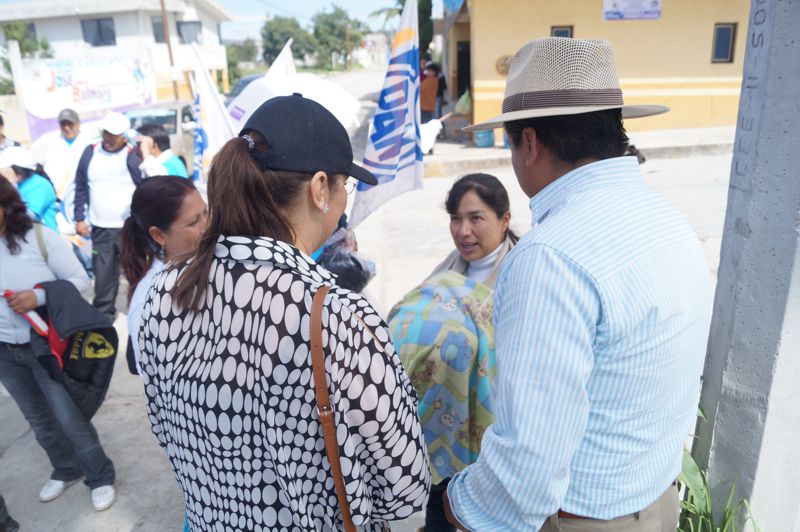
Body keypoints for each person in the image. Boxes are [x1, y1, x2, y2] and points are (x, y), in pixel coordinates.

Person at [442, 38, 713, 531]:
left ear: (529, 142)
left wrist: (455, 506)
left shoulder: (549, 256)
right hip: (658, 502)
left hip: (587, 519)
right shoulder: (666, 218)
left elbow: (529, 462)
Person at [139, 94, 430, 530]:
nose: (344, 200)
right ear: (319, 189)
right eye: (344, 186)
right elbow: (405, 488)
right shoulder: (336, 317)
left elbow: (166, 430)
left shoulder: (165, 290)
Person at [387, 173, 517, 531]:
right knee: (439, 512)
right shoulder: (447, 269)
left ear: (504, 219)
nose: (463, 231)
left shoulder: (520, 271)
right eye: (456, 219)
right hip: (440, 431)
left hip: (495, 431)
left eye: (476, 218)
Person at [0, 178, 116, 512]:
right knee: (37, 419)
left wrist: (37, 297)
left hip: (45, 345)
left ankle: (100, 476)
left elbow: (80, 280)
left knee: (68, 416)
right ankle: (66, 468)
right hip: (4, 351)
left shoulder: (39, 237)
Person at [120, 176, 207, 372]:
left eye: (206, 212)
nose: (207, 226)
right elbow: (152, 373)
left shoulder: (208, 261)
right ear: (159, 235)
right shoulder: (148, 301)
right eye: (194, 222)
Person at [73, 111, 143, 320]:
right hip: (100, 227)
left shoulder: (133, 154)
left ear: (124, 135)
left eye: (114, 134)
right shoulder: (91, 151)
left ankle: (142, 311)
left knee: (136, 272)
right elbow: (80, 186)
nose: (109, 138)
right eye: (106, 133)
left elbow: (145, 186)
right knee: (103, 275)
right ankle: (103, 316)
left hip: (128, 228)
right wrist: (79, 218)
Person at [0, 146, 58, 230]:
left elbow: (26, 217)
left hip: (41, 235)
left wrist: (12, 186)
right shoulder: (9, 184)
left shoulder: (40, 185)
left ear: (16, 171)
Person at [41, 108, 92, 198]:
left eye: (70, 123)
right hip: (61, 195)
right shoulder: (54, 143)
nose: (66, 127)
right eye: (63, 124)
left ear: (78, 123)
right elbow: (49, 169)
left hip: (83, 193)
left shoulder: (88, 142)